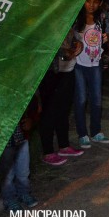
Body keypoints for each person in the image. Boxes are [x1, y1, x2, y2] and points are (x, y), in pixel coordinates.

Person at [73, 0, 109, 149]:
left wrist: (107, 39)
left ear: (100, 3)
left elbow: (108, 39)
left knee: (96, 99)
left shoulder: (101, 19)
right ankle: (82, 134)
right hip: (78, 65)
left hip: (95, 64)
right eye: (88, 1)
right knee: (81, 99)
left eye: (95, 2)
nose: (91, 5)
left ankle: (96, 132)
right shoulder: (76, 19)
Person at [39, 29, 85, 165]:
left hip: (67, 70)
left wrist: (79, 44)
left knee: (64, 109)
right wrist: (63, 51)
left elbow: (76, 38)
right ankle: (48, 152)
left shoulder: (69, 22)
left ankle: (64, 146)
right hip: (51, 72)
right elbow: (43, 46)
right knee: (49, 112)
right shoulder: (47, 23)